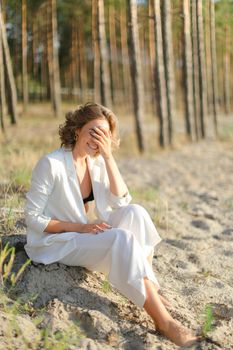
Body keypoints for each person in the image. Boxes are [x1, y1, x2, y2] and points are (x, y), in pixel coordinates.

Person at [25, 102, 199, 347]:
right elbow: (32, 218)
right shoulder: (51, 164)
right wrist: (80, 227)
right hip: (56, 242)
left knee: (136, 213)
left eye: (104, 135)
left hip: (85, 235)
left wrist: (108, 156)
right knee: (122, 238)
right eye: (94, 132)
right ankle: (164, 321)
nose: (98, 139)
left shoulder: (95, 163)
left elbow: (121, 200)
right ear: (77, 131)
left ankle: (150, 288)